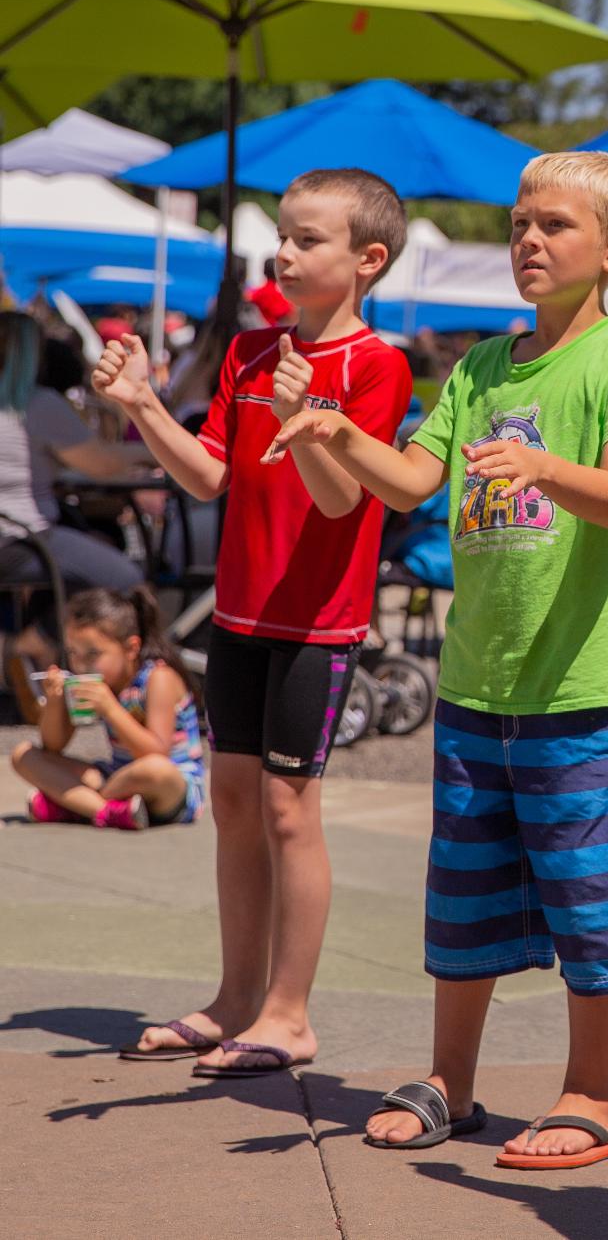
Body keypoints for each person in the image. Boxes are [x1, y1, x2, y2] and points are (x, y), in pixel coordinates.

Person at [268, 151, 608, 1169]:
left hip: (579, 696)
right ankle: (451, 1078)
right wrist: (332, 430)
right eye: (518, 225)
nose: (529, 242)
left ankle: (592, 1091)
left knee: (591, 905)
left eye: (555, 227)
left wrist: (544, 463)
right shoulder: (481, 368)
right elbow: (411, 481)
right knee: (464, 902)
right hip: (473, 689)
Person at [95, 168, 413, 1076]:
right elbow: (207, 476)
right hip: (238, 612)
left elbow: (346, 498)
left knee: (286, 809)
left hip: (320, 622)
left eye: (308, 238)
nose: (283, 250)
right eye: (284, 232)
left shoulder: (376, 365)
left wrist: (307, 420)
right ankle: (235, 998)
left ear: (367, 260)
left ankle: (287, 1012)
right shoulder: (247, 352)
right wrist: (145, 403)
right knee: (232, 802)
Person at [0, 310, 150, 716]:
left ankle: (30, 647)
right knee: (126, 576)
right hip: (21, 538)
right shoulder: (35, 403)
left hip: (15, 533)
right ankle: (31, 643)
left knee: (86, 551)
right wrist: (161, 449)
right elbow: (100, 462)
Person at [12, 587, 205, 829]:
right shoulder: (100, 680)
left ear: (131, 648)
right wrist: (55, 701)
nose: (81, 664)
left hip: (169, 786)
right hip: (117, 777)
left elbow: (156, 753)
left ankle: (77, 805)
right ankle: (106, 810)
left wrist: (110, 709)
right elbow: (53, 745)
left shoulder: (159, 678)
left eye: (93, 653)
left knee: (156, 770)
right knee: (24, 755)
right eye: (73, 652)